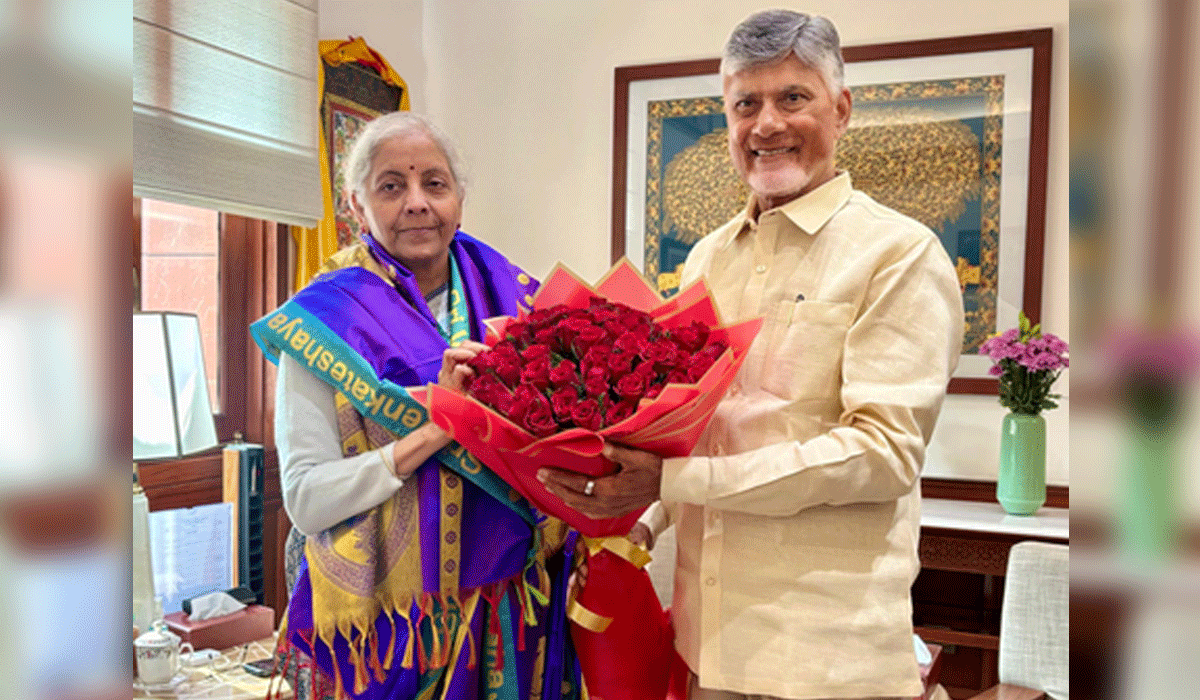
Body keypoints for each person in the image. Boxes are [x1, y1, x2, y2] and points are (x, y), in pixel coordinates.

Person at [538, 9, 964, 700]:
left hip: (826, 659)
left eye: (792, 98)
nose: (766, 124)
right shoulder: (706, 260)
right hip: (706, 647)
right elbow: (695, 434)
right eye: (745, 104)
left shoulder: (898, 254)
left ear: (841, 109)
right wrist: (636, 522)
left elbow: (881, 454)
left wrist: (669, 484)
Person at [252, 111, 579, 700]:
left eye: (435, 183)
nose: (417, 203)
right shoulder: (325, 321)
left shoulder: (517, 300)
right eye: (391, 186)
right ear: (357, 207)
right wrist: (437, 425)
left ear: (459, 201)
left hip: (509, 608)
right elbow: (305, 501)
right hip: (384, 631)